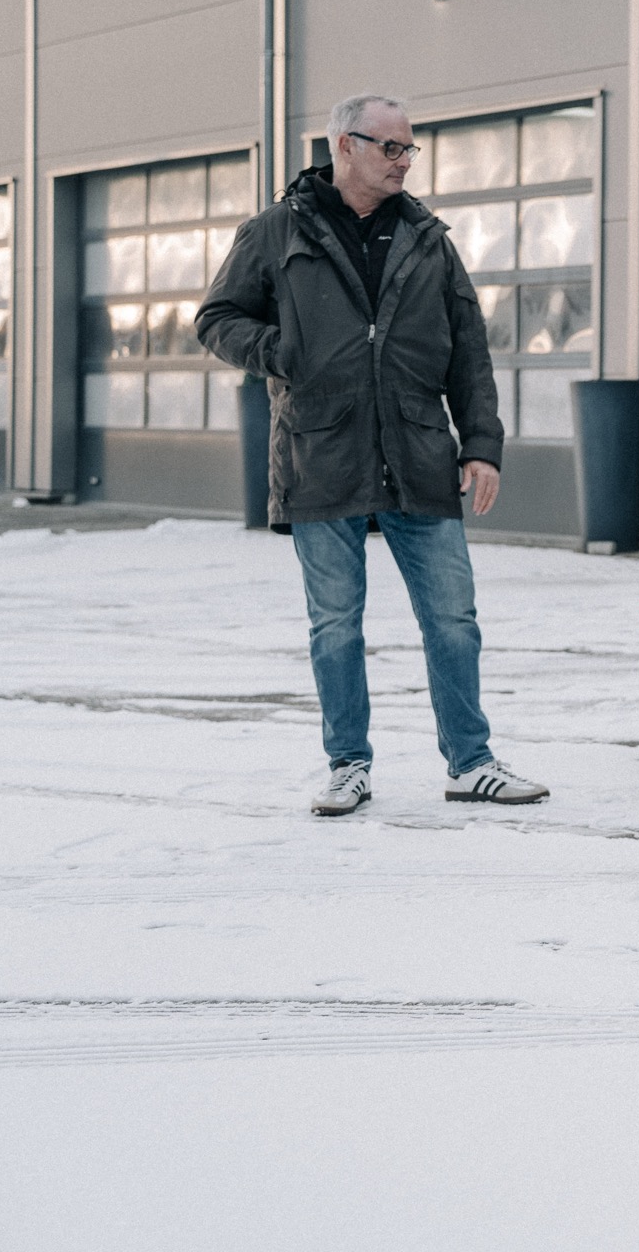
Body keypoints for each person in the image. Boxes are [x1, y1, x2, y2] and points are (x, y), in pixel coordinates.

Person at [199, 92, 548, 815]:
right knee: (336, 625)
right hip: (319, 453)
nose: (404, 161)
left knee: (453, 619)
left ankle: (470, 762)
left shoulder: (427, 238)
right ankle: (348, 765)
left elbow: (469, 349)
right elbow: (217, 317)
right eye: (390, 147)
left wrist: (481, 446)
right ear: (345, 146)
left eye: (408, 148)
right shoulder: (275, 231)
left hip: (418, 451)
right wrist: (282, 352)